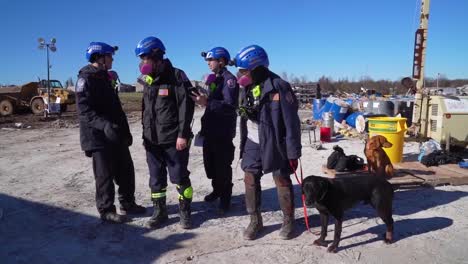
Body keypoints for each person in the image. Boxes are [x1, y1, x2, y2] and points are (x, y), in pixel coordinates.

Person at [234, 45, 302, 240]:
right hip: (253, 140)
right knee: (249, 177)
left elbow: (291, 122)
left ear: (257, 68)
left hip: (276, 141)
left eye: (244, 71)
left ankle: (289, 220)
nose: (241, 75)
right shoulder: (245, 87)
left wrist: (293, 152)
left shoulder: (279, 86)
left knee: (281, 178)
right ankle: (255, 220)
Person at [76, 42, 146, 223]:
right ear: (100, 58)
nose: (112, 59)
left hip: (115, 134)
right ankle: (106, 210)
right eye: (110, 56)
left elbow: (116, 109)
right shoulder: (86, 79)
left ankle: (128, 203)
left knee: (126, 171)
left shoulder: (105, 77)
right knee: (104, 175)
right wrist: (104, 125)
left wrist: (126, 132)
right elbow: (85, 112)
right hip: (98, 137)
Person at [135, 36, 195, 229]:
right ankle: (160, 212)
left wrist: (183, 135)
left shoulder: (177, 76)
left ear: (157, 57)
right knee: (156, 179)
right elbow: (146, 111)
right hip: (152, 141)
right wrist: (145, 135)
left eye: (145, 58)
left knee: (179, 177)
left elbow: (186, 108)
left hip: (173, 140)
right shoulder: (149, 80)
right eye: (141, 59)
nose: (142, 63)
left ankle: (185, 212)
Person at [191, 47, 239, 213]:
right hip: (210, 130)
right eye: (208, 60)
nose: (209, 63)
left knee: (222, 167)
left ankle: (225, 198)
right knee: (210, 166)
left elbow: (230, 106)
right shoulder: (214, 79)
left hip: (222, 133)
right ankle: (217, 190)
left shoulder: (229, 80)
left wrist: (207, 103)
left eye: (211, 60)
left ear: (222, 61)